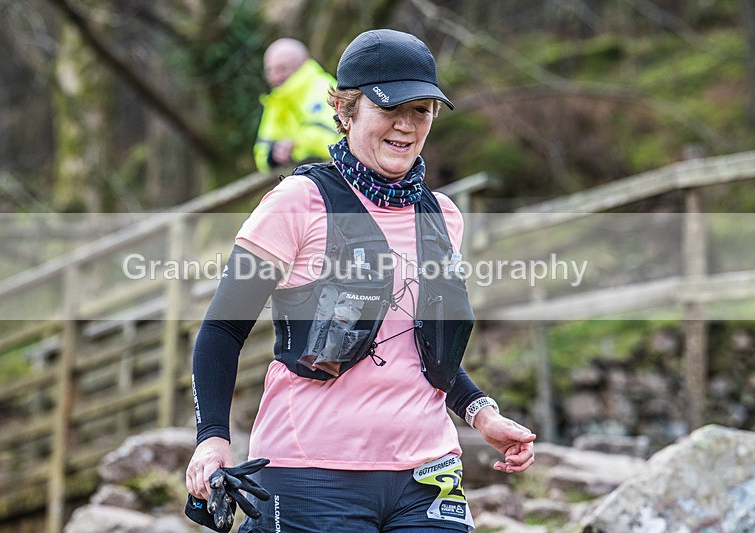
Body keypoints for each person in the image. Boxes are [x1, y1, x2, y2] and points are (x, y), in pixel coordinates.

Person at [186, 29, 536, 533]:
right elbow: (222, 330)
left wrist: (481, 414)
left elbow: (422, 346)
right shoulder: (297, 202)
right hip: (310, 476)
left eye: (422, 110)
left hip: (428, 474)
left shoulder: (443, 217)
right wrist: (213, 437)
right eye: (390, 107)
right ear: (346, 110)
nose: (407, 125)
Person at [253, 38, 341, 172]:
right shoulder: (276, 99)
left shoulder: (324, 88)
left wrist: (294, 147)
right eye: (269, 71)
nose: (274, 77)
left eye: (282, 69)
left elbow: (334, 141)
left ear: (303, 63)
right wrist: (273, 155)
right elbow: (261, 152)